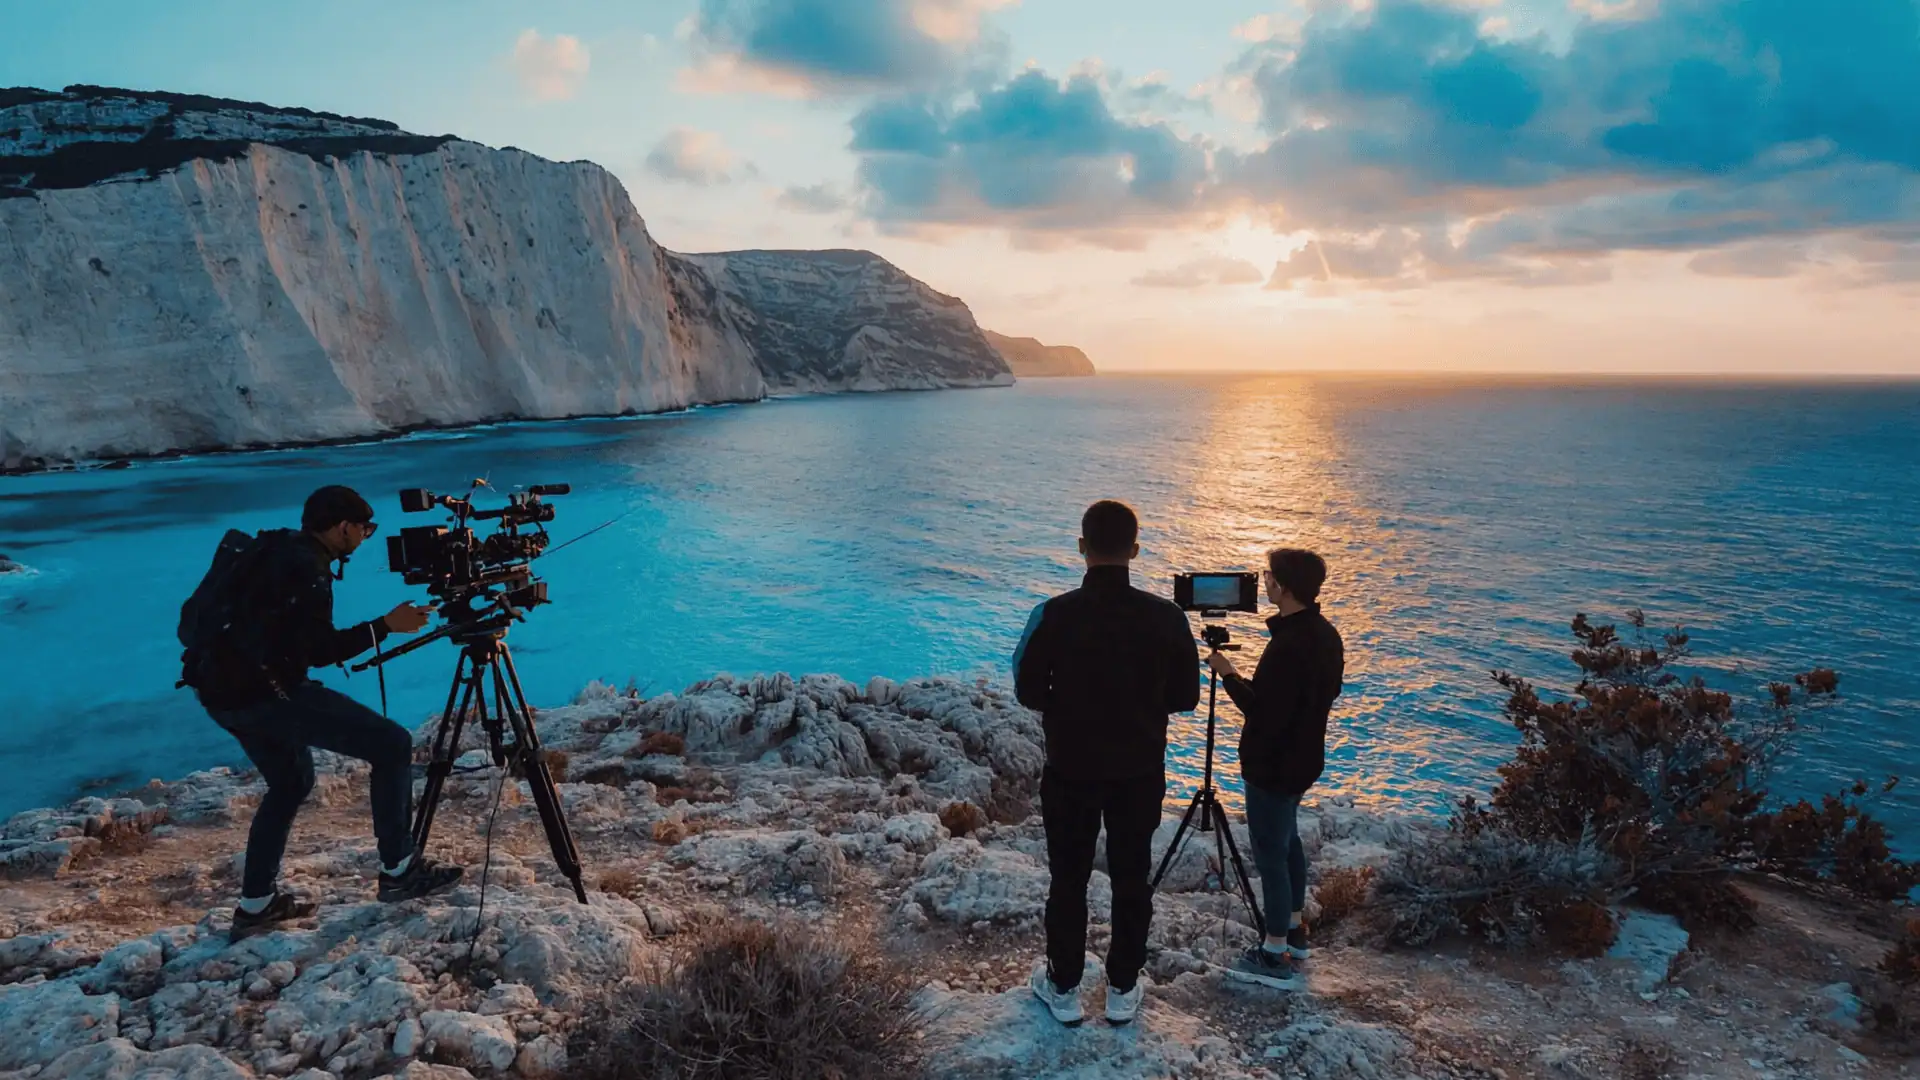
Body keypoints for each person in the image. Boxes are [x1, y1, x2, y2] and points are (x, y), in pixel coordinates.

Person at [191, 485, 464, 941]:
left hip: (222, 692)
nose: (365, 537)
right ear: (343, 527)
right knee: (392, 745)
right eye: (364, 528)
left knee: (291, 782)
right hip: (266, 693)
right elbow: (319, 650)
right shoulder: (306, 567)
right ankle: (399, 869)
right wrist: (386, 626)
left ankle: (256, 905)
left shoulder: (276, 550)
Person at [1014, 500, 1201, 1026]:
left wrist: (1068, 704)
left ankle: (1065, 986)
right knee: (1130, 876)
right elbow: (1187, 696)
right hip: (1139, 770)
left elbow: (1027, 688)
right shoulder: (1167, 617)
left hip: (1071, 769)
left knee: (1068, 878)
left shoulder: (1053, 613)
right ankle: (1122, 987)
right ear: (1135, 551)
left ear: (1082, 547)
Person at [1206, 548, 1344, 990]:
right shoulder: (1326, 635)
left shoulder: (1288, 644)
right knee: (1289, 843)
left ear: (1283, 586)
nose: (1264, 582)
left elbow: (1260, 710)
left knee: (1271, 853)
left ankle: (1274, 953)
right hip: (1305, 759)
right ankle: (1296, 933)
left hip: (1272, 763)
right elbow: (1317, 696)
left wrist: (1227, 673)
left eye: (1269, 576)